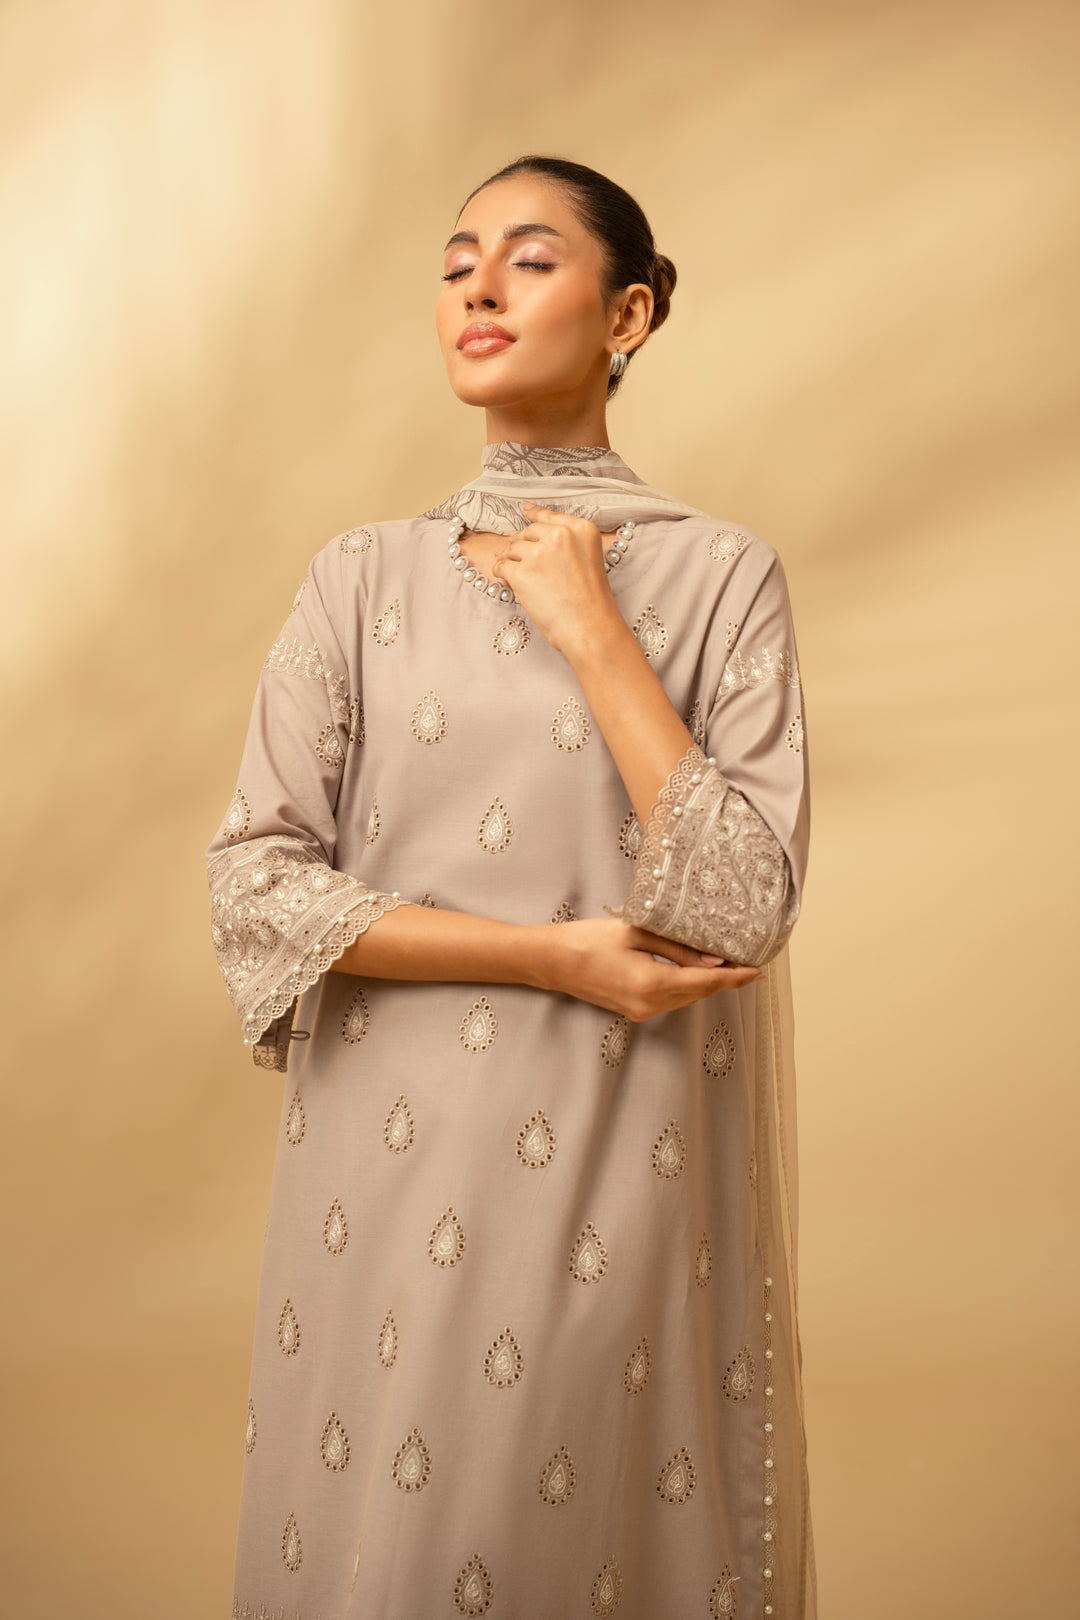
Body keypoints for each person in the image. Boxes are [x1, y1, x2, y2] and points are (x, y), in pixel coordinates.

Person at [207, 153, 816, 1620]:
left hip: (616, 1144)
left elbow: (744, 905)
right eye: (456, 261)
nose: (479, 285)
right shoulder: (359, 578)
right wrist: (549, 957)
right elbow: (257, 886)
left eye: (531, 259)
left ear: (630, 314)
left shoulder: (722, 576)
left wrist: (593, 629)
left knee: (555, 1524)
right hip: (378, 1158)